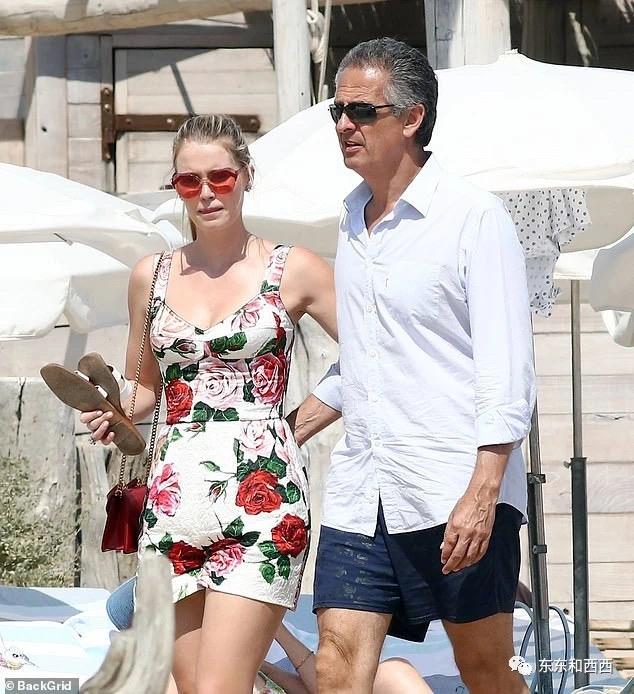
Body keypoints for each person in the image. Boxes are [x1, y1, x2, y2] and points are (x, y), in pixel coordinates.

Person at [288, 38, 536, 694]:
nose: (344, 124)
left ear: (412, 118)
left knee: (485, 670)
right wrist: (285, 432)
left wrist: (483, 493)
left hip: (453, 487)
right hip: (362, 490)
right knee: (336, 665)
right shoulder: (351, 221)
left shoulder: (475, 218)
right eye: (337, 111)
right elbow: (363, 360)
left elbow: (508, 369)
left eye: (361, 111)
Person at [81, 114, 337, 694]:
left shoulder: (294, 267)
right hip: (172, 505)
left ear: (245, 176)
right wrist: (110, 409)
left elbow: (373, 356)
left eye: (220, 177)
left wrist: (301, 423)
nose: (206, 193)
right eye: (188, 181)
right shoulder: (150, 276)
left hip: (262, 504)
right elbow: (145, 391)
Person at [105, 578, 433, 694]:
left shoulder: (253, 663)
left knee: (395, 671)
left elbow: (325, 687)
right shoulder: (169, 676)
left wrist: (278, 632)